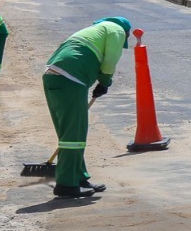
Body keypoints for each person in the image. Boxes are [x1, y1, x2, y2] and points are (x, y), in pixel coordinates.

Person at [43, 16, 130, 198]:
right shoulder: (117, 30)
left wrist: (100, 83)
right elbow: (109, 62)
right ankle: (66, 185)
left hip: (53, 76)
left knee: (70, 132)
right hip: (70, 79)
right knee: (73, 135)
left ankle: (79, 177)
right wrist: (104, 82)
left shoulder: (93, 32)